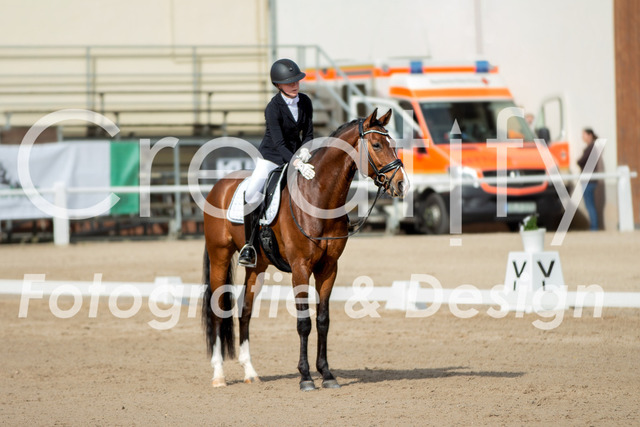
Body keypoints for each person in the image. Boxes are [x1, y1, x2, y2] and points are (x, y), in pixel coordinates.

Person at [238, 58, 316, 267]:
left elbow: (308, 133)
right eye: (290, 82)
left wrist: (305, 150)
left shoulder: (305, 101)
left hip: (298, 155)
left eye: (297, 80)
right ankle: (249, 246)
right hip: (272, 158)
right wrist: (296, 163)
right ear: (278, 85)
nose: (295, 85)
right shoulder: (273, 108)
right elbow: (279, 143)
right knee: (252, 193)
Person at [577, 128, 603, 231]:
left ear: (590, 135)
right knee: (590, 204)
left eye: (584, 135)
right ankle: (594, 227)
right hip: (589, 180)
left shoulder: (591, 147)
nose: (582, 137)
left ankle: (594, 227)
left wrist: (579, 161)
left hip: (589, 180)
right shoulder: (592, 147)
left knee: (589, 205)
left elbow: (581, 161)